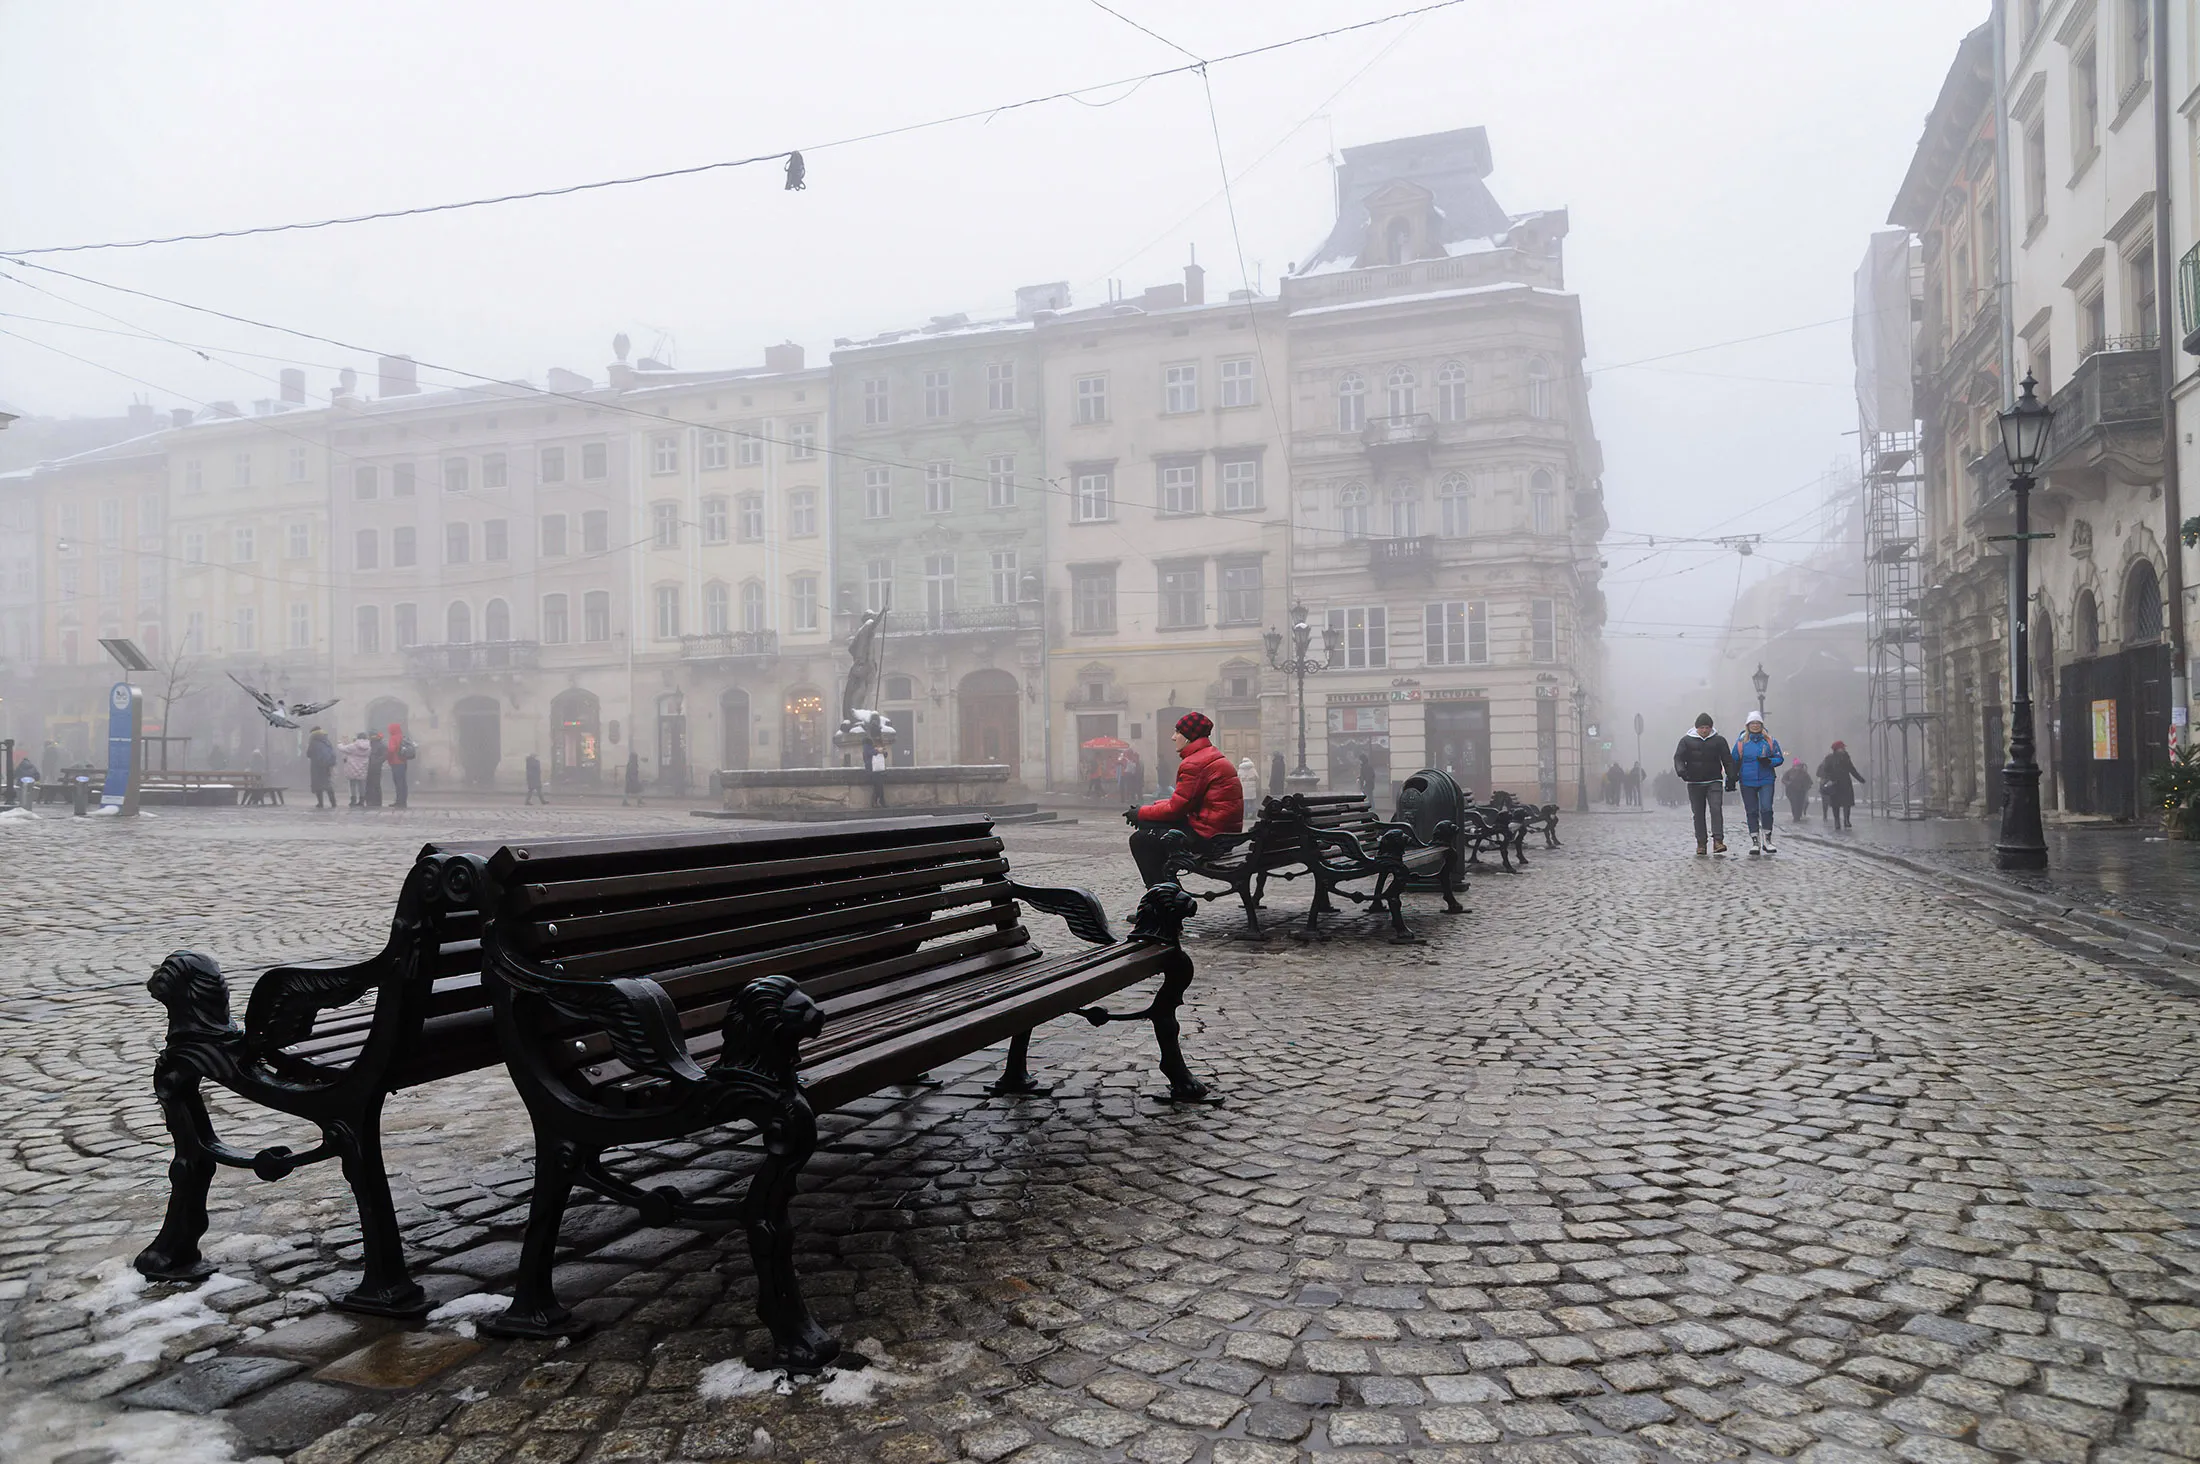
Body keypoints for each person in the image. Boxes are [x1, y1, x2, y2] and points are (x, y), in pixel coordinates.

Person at [1126, 712, 1245, 887]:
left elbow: (1176, 809)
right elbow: (1182, 802)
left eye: (1178, 732)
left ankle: (1164, 900)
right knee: (1149, 827)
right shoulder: (1209, 755)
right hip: (1223, 834)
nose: (1173, 737)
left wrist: (1142, 813)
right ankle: (1167, 893)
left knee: (1140, 840)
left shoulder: (1194, 763)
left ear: (1189, 737)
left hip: (1210, 839)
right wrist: (1146, 813)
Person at [1672, 712, 1735, 857]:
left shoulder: (1719, 741)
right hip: (1694, 781)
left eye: (1707, 727)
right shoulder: (1686, 741)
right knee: (1698, 813)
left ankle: (1718, 841)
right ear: (1697, 728)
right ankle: (1701, 843)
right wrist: (1681, 771)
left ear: (1711, 728)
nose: (1705, 730)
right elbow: (1678, 758)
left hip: (1714, 780)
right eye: (1702, 728)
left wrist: (1731, 776)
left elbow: (1727, 759)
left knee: (1716, 809)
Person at [1731, 712, 1784, 855]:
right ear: (1748, 726)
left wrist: (1769, 761)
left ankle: (1768, 839)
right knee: (1752, 811)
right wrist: (1730, 778)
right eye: (1752, 723)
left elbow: (1779, 758)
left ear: (1761, 725)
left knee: (1766, 808)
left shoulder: (1770, 741)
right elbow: (1734, 760)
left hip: (1766, 779)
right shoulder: (1741, 742)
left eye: (1758, 723)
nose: (1755, 726)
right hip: (1747, 781)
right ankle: (1755, 841)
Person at [1818, 741, 1866, 830]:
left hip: (1845, 783)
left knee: (1847, 803)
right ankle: (1837, 821)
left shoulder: (1846, 757)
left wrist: (1860, 779)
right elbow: (1825, 770)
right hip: (1834, 783)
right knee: (1835, 804)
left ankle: (1846, 820)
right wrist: (1829, 779)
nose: (1844, 749)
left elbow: (1852, 769)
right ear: (1837, 749)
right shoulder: (1830, 758)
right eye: (1842, 747)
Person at [306, 727, 337, 810]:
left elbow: (308, 754)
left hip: (317, 766)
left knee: (317, 784)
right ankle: (333, 803)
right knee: (328, 784)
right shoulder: (326, 741)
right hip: (326, 766)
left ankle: (320, 803)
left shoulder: (313, 742)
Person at [387, 721, 411, 809]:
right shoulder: (402, 737)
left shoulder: (393, 738)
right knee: (403, 782)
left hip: (396, 762)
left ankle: (399, 801)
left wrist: (388, 758)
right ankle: (403, 800)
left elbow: (391, 749)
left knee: (398, 783)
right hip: (403, 762)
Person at [341, 733, 369, 807]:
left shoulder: (353, 746)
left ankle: (353, 800)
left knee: (352, 784)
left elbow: (343, 749)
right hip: (363, 767)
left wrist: (340, 743)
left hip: (352, 768)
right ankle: (362, 800)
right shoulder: (369, 746)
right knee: (362, 785)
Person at [1782, 759, 1813, 823]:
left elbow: (1809, 782)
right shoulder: (1789, 772)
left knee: (1800, 804)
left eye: (1798, 766)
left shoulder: (1804, 773)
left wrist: (1806, 787)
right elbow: (1783, 779)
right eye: (1795, 765)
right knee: (1794, 803)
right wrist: (1788, 783)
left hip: (1801, 791)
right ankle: (1795, 817)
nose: (1797, 767)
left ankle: (1798, 816)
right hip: (1791, 791)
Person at [364, 731, 386, 808]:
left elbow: (384, 756)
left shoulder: (380, 745)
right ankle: (371, 801)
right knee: (370, 784)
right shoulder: (368, 744)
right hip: (369, 766)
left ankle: (375, 801)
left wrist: (376, 762)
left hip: (375, 767)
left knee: (374, 785)